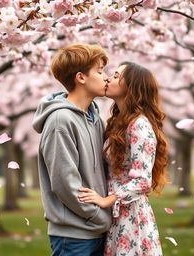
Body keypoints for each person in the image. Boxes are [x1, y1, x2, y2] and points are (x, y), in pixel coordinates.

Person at [78, 61, 169, 256]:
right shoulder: (119, 124)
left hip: (131, 218)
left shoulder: (139, 125)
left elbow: (142, 181)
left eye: (117, 76)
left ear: (132, 87)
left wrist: (106, 200)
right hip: (118, 216)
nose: (109, 78)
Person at [32, 43, 112, 256]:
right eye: (100, 71)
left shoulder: (95, 118)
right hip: (74, 236)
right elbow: (64, 183)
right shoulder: (60, 120)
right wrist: (100, 217)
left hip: (96, 230)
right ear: (81, 77)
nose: (106, 77)